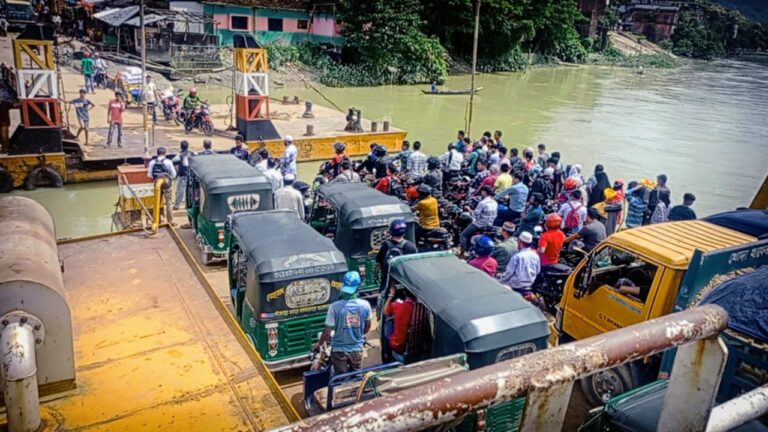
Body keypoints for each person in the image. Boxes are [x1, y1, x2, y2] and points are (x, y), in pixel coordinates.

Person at [319, 271, 371, 374]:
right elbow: (367, 327)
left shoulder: (334, 307)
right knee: (357, 376)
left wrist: (319, 343)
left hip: (339, 350)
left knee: (342, 378)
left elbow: (327, 332)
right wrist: (358, 334)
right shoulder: (365, 305)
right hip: (357, 348)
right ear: (357, 287)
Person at [376, 219, 418, 293]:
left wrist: (377, 274)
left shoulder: (385, 245)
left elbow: (379, 263)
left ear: (391, 231)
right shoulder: (411, 246)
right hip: (405, 283)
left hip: (388, 282)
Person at [382, 285, 415, 362]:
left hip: (398, 346)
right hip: (416, 345)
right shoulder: (420, 307)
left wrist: (391, 295)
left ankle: (386, 353)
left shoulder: (397, 304)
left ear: (404, 293)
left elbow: (385, 312)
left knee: (388, 321)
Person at [460, 186, 497, 253]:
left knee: (463, 235)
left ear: (484, 192)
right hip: (490, 224)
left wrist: (469, 209)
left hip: (479, 224)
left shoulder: (482, 203)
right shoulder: (495, 202)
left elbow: (474, 215)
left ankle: (463, 252)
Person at [146, 147, 177, 225]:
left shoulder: (152, 162)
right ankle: (170, 221)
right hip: (166, 184)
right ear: (165, 153)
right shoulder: (168, 162)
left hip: (157, 183)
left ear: (157, 153)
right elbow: (174, 175)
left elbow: (149, 175)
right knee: (169, 202)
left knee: (157, 201)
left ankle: (157, 220)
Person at [172, 140, 195, 209]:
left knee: (180, 191)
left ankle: (176, 205)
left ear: (181, 147)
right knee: (190, 190)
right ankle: (188, 205)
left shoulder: (180, 155)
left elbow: (173, 160)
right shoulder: (192, 153)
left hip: (183, 175)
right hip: (191, 175)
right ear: (188, 146)